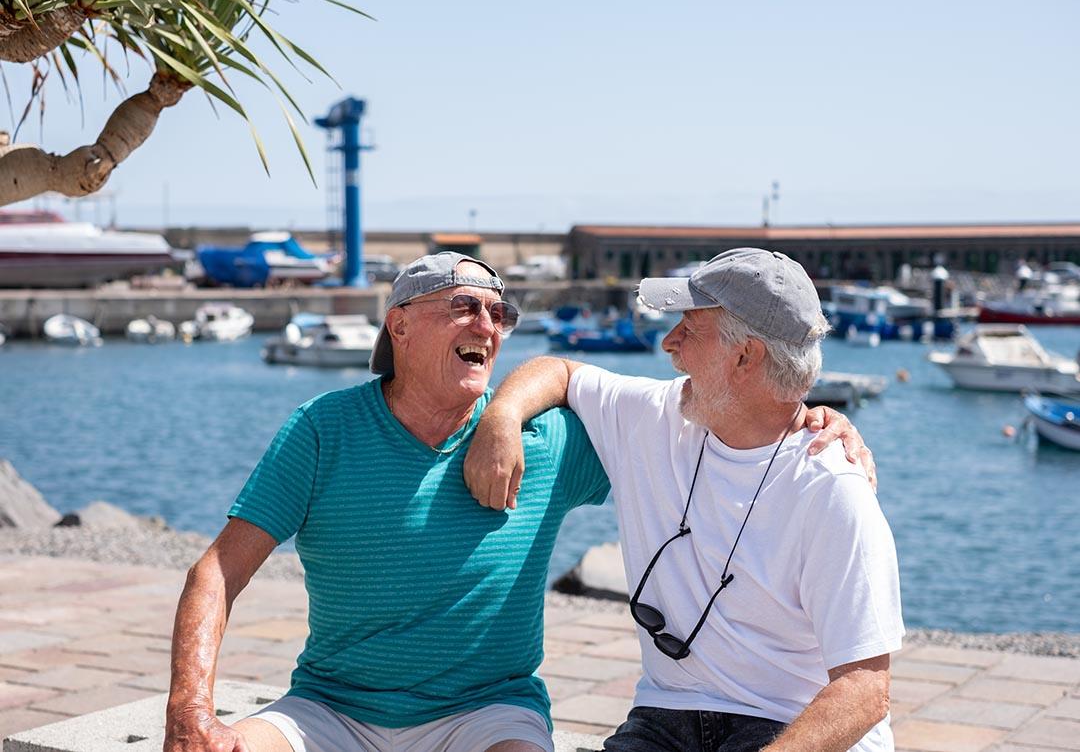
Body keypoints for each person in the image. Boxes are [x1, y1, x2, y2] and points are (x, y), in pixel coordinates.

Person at [164, 251, 870, 752]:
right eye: (463, 306)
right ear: (399, 326)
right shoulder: (323, 429)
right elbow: (216, 575)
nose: (487, 324)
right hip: (328, 711)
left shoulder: (555, 442)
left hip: (489, 718)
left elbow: (730, 426)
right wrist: (190, 710)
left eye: (499, 312)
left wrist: (813, 416)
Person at [465, 248, 903, 752]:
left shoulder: (832, 489)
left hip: (792, 725)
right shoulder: (661, 414)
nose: (669, 345)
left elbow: (866, 690)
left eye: (689, 330)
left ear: (745, 356)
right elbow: (558, 371)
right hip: (666, 716)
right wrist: (500, 418)